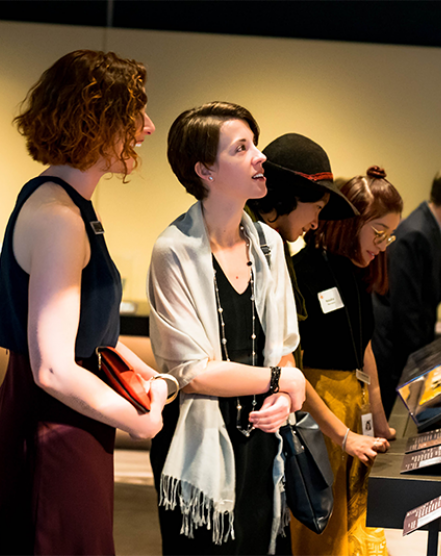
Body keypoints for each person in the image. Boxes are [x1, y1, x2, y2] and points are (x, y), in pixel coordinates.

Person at [0, 50, 167, 556]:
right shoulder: (58, 217)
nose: (148, 127)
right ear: (98, 119)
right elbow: (53, 368)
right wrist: (138, 419)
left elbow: (88, 339)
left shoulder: (66, 206)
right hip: (56, 426)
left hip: (71, 419)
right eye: (136, 113)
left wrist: (143, 376)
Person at [147, 101, 307, 556]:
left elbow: (285, 348)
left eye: (254, 144)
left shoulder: (270, 245)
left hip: (263, 444)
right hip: (198, 448)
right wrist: (280, 381)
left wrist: (279, 397)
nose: (260, 157)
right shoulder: (173, 251)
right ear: (205, 170)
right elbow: (192, 372)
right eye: (242, 148)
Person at [249, 133, 389, 465]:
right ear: (292, 197)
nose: (315, 222)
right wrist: (343, 435)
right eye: (317, 208)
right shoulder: (258, 244)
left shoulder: (274, 246)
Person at [292, 166, 402, 556]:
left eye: (389, 235)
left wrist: (379, 419)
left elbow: (364, 347)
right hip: (320, 411)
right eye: (378, 232)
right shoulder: (305, 271)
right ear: (350, 221)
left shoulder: (358, 274)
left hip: (351, 408)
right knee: (325, 527)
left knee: (353, 522)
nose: (383, 244)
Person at [373, 165, 441, 416]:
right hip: (395, 362)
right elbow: (406, 312)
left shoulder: (432, 231)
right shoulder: (416, 234)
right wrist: (424, 369)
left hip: (406, 360)